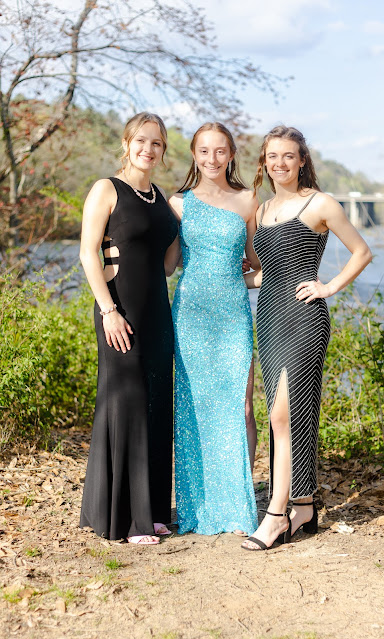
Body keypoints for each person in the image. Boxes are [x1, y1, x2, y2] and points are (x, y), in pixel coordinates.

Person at [242, 125, 372, 551]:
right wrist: (230, 279)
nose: (280, 163)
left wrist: (328, 286)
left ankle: (275, 514)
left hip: (304, 317)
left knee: (283, 414)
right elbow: (266, 272)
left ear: (302, 161)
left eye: (289, 156)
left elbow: (362, 252)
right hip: (269, 317)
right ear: (264, 162)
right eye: (272, 156)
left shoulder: (321, 203)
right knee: (284, 414)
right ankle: (303, 506)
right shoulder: (262, 210)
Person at [79, 112, 179, 545]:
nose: (148, 149)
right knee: (128, 402)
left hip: (157, 312)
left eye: (156, 143)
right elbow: (88, 253)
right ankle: (125, 519)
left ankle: (152, 511)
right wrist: (108, 310)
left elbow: (168, 265)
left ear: (163, 150)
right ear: (126, 143)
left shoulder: (160, 197)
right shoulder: (107, 189)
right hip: (118, 310)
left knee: (156, 403)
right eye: (141, 141)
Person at [169, 122, 259, 536]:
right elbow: (167, 264)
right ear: (194, 154)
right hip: (190, 314)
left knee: (241, 407)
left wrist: (300, 277)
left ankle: (238, 507)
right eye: (204, 151)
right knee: (194, 408)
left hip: (232, 315)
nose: (212, 158)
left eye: (220, 151)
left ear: (231, 155)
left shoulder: (247, 199)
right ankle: (197, 505)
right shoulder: (178, 203)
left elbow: (256, 265)